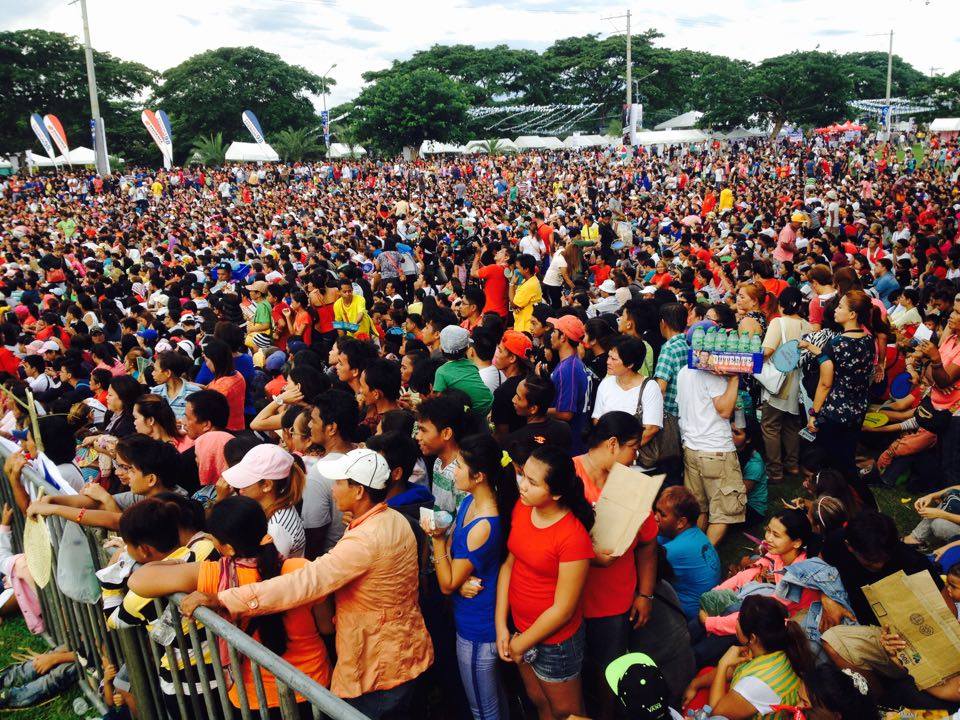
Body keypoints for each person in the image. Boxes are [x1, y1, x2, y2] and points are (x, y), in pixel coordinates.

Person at [183, 449, 434, 719]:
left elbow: (306, 582)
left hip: (380, 663)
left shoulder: (365, 540)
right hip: (402, 649)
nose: (333, 489)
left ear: (359, 491)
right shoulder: (392, 519)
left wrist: (225, 599)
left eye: (339, 483)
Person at [129, 496, 332, 715]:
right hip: (313, 686)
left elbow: (138, 581)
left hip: (255, 696)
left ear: (227, 548)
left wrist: (178, 560)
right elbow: (327, 626)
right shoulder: (300, 567)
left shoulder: (215, 574)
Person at [421, 433, 517, 720]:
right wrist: (458, 577)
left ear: (479, 476)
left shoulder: (484, 524)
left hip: (479, 628)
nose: (455, 472)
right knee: (493, 699)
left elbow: (446, 582)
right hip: (470, 618)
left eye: (461, 466)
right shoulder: (468, 504)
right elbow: (454, 562)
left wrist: (436, 541)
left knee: (483, 709)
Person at [496, 445, 595, 720]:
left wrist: (520, 643)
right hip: (520, 628)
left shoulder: (572, 538)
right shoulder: (523, 508)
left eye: (532, 482)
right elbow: (509, 565)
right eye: (523, 476)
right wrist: (502, 626)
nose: (522, 487)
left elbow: (563, 609)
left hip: (555, 644)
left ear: (557, 493)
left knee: (567, 712)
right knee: (538, 700)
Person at [574, 413, 659, 719]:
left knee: (610, 670)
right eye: (633, 448)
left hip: (614, 602)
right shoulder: (567, 474)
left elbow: (648, 544)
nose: (636, 456)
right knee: (570, 677)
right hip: (569, 600)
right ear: (612, 444)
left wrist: (645, 594)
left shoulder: (632, 486)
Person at [684, 596, 813, 720]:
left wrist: (723, 663)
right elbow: (735, 669)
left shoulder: (756, 685)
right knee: (706, 673)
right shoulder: (777, 645)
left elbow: (715, 714)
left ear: (752, 638)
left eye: (739, 619)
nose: (736, 622)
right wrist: (694, 684)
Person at [802, 290, 876, 482]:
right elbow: (841, 363)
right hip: (858, 408)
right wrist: (814, 349)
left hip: (835, 411)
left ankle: (842, 499)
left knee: (832, 465)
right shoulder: (869, 341)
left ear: (852, 314)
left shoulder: (836, 343)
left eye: (841, 306)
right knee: (846, 457)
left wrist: (814, 414)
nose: (835, 309)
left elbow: (825, 383)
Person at [676, 362, 744, 545]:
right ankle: (702, 559)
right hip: (716, 450)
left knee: (699, 508)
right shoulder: (712, 374)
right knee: (723, 511)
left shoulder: (684, 371)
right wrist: (734, 378)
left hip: (691, 448)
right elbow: (724, 409)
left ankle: (691, 552)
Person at [220, 442, 306, 559]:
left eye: (246, 480)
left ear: (266, 485)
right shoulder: (270, 506)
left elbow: (268, 570)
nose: (240, 489)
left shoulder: (276, 528)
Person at [759, 287, 808, 485]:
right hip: (799, 383)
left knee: (770, 426)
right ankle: (793, 465)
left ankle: (775, 471)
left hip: (779, 382)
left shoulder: (778, 322)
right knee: (791, 425)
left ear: (782, 304)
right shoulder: (807, 325)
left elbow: (767, 351)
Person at [654, 486, 721, 621]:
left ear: (681, 522)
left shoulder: (675, 550)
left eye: (662, 514)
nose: (655, 517)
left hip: (690, 615)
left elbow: (644, 564)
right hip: (708, 605)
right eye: (656, 511)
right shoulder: (693, 533)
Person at [591, 336, 663, 449]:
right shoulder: (606, 384)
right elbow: (597, 420)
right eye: (608, 356)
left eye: (614, 359)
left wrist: (623, 452)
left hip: (637, 461)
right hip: (608, 454)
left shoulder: (650, 387)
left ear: (630, 364)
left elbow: (651, 429)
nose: (608, 361)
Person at [547, 315, 590, 455]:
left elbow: (566, 413)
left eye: (554, 331)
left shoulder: (568, 369)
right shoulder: (572, 363)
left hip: (571, 444)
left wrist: (536, 409)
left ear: (563, 337)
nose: (551, 335)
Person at [433, 326, 493, 416]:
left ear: (441, 349)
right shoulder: (471, 364)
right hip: (489, 403)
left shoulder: (441, 372)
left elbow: (437, 398)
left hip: (472, 411)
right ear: (467, 348)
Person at [203, 337, 246, 431]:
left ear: (215, 361)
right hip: (239, 426)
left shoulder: (221, 388)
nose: (206, 365)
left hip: (225, 430)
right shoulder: (238, 375)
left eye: (206, 360)